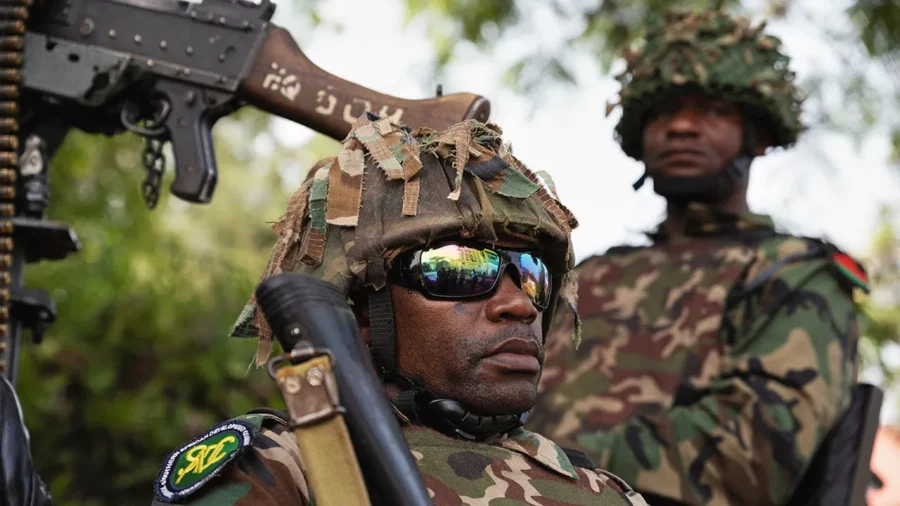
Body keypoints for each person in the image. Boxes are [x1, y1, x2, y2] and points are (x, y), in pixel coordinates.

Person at [151, 116, 647, 505]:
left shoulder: (605, 493)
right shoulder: (288, 467)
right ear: (364, 315)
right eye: (460, 269)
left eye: (533, 274)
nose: (518, 304)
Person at [526, 9, 868, 506]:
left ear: (759, 135)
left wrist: (536, 460)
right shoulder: (589, 275)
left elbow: (748, 460)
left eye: (713, 111)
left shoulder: (793, 273)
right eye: (663, 112)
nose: (682, 126)